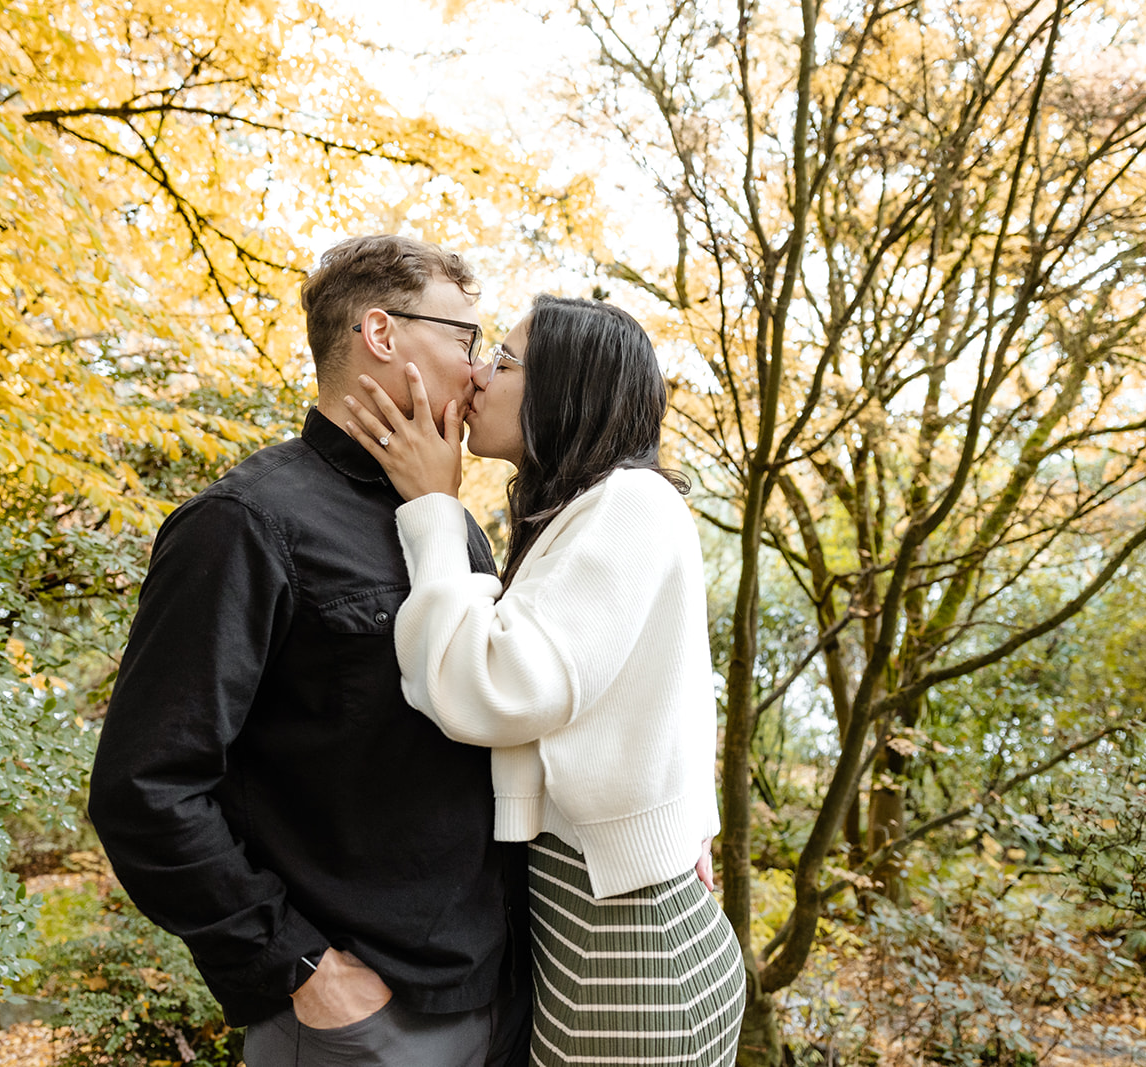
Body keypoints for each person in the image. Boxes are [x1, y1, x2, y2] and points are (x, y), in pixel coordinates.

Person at [87, 234, 530, 1067]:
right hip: (363, 1021)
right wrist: (297, 965)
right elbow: (144, 788)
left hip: (497, 998)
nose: (477, 369)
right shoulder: (243, 524)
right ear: (382, 333)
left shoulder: (454, 528)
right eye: (465, 336)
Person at [339, 294, 746, 1066]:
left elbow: (492, 689)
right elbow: (665, 687)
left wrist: (431, 508)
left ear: (569, 387)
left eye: (504, 358)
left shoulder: (632, 503)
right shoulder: (591, 510)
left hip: (633, 953)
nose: (480, 374)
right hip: (598, 935)